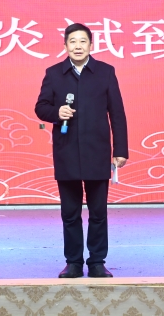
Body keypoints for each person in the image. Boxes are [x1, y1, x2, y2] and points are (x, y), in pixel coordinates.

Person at [35, 23, 128, 278]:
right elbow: (41, 107)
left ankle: (97, 262)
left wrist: (120, 149)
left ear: (91, 45)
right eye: (73, 41)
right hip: (66, 153)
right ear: (65, 45)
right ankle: (73, 262)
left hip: (97, 151)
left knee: (98, 212)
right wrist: (57, 112)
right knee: (70, 213)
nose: (78, 46)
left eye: (83, 41)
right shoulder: (54, 73)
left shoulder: (105, 72)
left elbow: (117, 114)